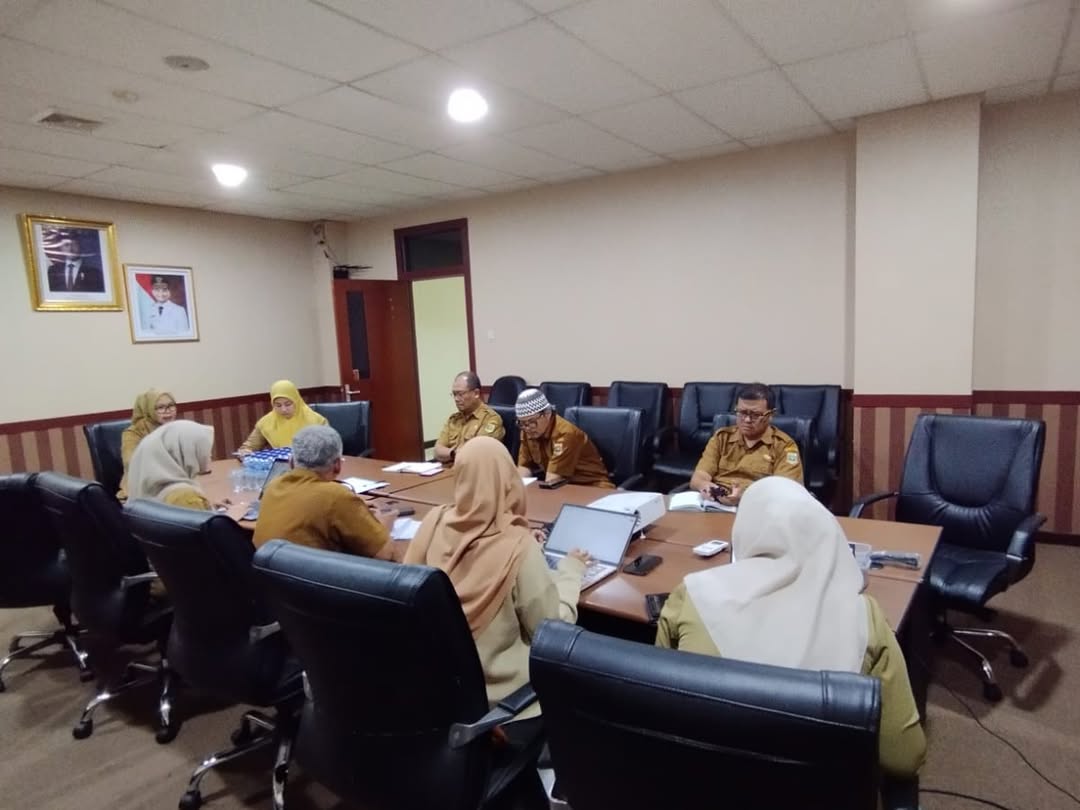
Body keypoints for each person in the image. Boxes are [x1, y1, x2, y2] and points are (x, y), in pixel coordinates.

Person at [656, 477, 926, 779]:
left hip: (705, 783)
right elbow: (905, 757)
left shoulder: (692, 595)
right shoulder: (865, 617)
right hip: (820, 791)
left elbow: (659, 707)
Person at [405, 437, 589, 720]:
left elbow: (408, 595)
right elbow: (551, 632)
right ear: (508, 479)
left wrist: (523, 542)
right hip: (504, 705)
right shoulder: (518, 547)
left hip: (433, 690)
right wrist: (571, 571)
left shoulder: (433, 521)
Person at [252, 425, 399, 560]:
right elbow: (385, 554)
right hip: (314, 579)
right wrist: (384, 524)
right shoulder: (335, 496)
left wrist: (352, 507)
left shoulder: (273, 486)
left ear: (291, 462)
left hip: (271, 576)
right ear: (337, 465)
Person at [689, 382, 803, 506]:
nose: (747, 420)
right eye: (742, 412)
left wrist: (745, 497)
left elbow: (785, 491)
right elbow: (698, 477)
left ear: (771, 415)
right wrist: (707, 487)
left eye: (756, 415)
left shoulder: (784, 446)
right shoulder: (721, 438)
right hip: (716, 504)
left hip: (759, 507)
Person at [514, 388, 613, 488]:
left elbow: (552, 480)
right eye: (522, 423)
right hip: (564, 487)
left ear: (547, 413)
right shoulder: (527, 431)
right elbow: (524, 466)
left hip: (592, 487)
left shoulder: (566, 434)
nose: (527, 428)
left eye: (531, 422)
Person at [126, 420, 217, 511]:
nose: (210, 455)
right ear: (186, 452)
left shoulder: (155, 489)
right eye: (203, 449)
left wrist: (207, 506)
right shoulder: (185, 497)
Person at [237, 379, 327, 455]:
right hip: (280, 467)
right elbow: (249, 447)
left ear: (297, 401)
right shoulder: (266, 422)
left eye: (288, 404)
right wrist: (245, 452)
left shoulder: (317, 420)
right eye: (278, 405)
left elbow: (329, 448)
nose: (283, 409)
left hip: (311, 466)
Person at [116, 389, 177, 501]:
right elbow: (132, 463)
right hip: (140, 492)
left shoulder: (177, 428)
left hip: (173, 485)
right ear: (148, 410)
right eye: (160, 407)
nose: (168, 411)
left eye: (171, 406)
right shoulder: (133, 433)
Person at [433, 371, 505, 463]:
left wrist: (449, 453)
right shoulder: (454, 419)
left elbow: (476, 454)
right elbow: (437, 451)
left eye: (460, 394)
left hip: (473, 470)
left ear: (476, 393)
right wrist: (453, 453)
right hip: (448, 469)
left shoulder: (490, 419)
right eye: (454, 394)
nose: (456, 399)